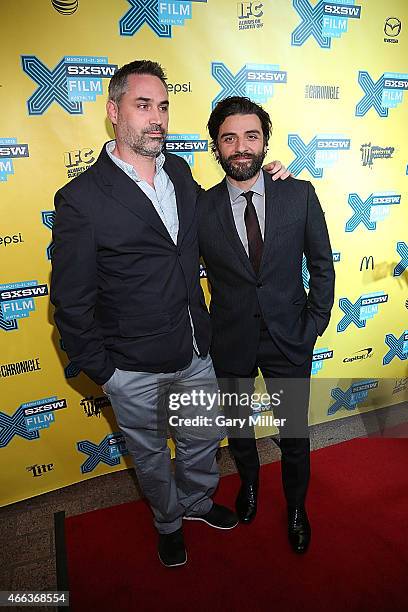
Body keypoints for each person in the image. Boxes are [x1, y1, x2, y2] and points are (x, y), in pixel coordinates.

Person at [50, 61, 288, 568]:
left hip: (196, 352)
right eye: (143, 105)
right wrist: (107, 374)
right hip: (132, 368)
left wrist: (266, 183)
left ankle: (198, 502)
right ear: (114, 112)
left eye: (162, 106)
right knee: (153, 459)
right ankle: (168, 522)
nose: (156, 118)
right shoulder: (81, 200)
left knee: (201, 442)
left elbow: (222, 216)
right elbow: (70, 304)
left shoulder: (179, 172)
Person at [198, 96, 335, 553]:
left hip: (289, 338)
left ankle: (297, 508)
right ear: (216, 147)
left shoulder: (299, 194)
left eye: (250, 136)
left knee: (293, 434)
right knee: (239, 429)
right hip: (230, 340)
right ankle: (249, 484)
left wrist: (314, 322)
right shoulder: (201, 208)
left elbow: (322, 264)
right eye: (229, 138)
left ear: (265, 142)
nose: (241, 146)